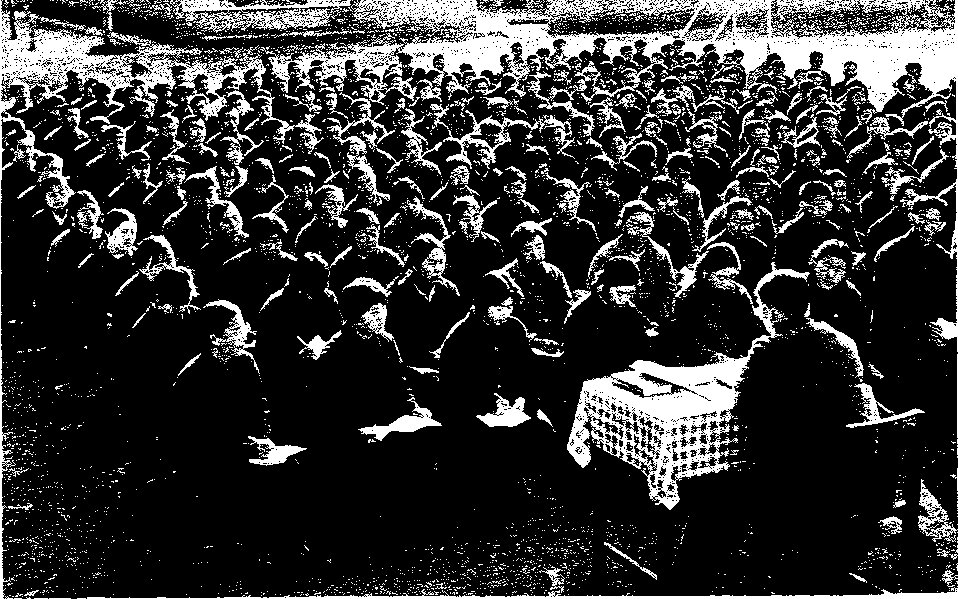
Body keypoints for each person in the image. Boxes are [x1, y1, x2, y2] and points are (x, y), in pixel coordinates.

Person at [734, 269, 878, 593]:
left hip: (799, 471)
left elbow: (743, 409)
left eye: (761, 307)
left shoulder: (768, 350)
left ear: (772, 311)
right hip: (850, 463)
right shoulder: (843, 342)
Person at [587, 200, 677, 327]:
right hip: (614, 315)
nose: (641, 230)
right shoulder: (607, 253)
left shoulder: (660, 254)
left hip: (651, 314)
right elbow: (594, 284)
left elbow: (668, 289)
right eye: (635, 224)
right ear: (623, 224)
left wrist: (661, 319)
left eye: (646, 225)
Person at [671, 243, 764, 363]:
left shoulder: (738, 292)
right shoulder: (687, 297)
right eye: (721, 277)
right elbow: (687, 336)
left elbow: (751, 323)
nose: (726, 281)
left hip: (738, 354)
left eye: (730, 276)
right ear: (706, 272)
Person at [386, 234, 466, 368]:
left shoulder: (448, 289)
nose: (438, 268)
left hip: (445, 354)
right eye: (432, 262)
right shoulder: (399, 292)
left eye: (441, 262)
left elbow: (458, 324)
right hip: (411, 359)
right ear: (416, 263)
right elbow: (400, 336)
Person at [218, 213, 298, 323]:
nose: (273, 246)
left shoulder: (292, 264)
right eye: (267, 241)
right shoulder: (233, 267)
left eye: (276, 240)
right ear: (255, 241)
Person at [504, 221, 573, 346]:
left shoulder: (554, 273)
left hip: (555, 335)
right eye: (528, 249)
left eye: (539, 246)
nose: (535, 253)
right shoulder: (506, 277)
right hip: (522, 340)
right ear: (518, 251)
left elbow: (566, 307)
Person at [806, 240, 870, 355]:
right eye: (827, 265)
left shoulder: (851, 296)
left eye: (838, 269)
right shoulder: (799, 286)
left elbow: (858, 336)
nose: (830, 274)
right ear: (815, 263)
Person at [539, 179, 600, 294]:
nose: (570, 206)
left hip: (583, 286)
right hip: (553, 287)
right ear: (554, 203)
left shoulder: (586, 228)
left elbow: (595, 260)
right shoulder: (544, 229)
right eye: (563, 201)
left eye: (573, 200)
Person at [442, 197, 506, 306]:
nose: (472, 225)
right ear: (455, 222)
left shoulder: (492, 244)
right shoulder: (446, 246)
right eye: (466, 220)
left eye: (476, 218)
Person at [328, 208, 404, 292]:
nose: (370, 239)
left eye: (373, 234)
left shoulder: (390, 259)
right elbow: (335, 292)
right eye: (363, 235)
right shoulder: (341, 264)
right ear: (352, 236)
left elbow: (401, 286)